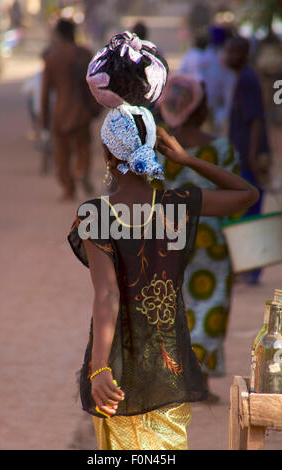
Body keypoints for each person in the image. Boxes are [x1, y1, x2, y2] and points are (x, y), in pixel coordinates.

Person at [68, 103, 258, 449]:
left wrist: (98, 369)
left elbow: (107, 294)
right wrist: (188, 160)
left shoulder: (95, 214)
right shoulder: (178, 204)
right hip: (167, 362)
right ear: (154, 147)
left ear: (107, 152)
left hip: (115, 364)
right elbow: (247, 195)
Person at [157, 73, 241, 402]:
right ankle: (198, 381)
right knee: (212, 303)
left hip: (168, 239)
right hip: (212, 243)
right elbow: (237, 195)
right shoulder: (219, 148)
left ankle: (174, 378)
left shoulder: (158, 146)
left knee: (173, 304)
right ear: (200, 107)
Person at [224, 36, 271, 284]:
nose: (227, 57)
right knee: (246, 211)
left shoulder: (247, 80)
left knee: (249, 211)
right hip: (242, 156)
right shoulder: (243, 78)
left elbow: (255, 121)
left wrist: (251, 156)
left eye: (232, 53)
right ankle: (248, 268)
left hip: (248, 158)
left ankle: (251, 271)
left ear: (242, 54)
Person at [41, 19, 101, 201]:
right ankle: (81, 170)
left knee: (62, 154)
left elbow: (45, 93)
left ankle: (69, 189)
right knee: (83, 147)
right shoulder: (85, 53)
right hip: (81, 111)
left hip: (61, 112)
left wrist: (44, 121)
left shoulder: (52, 57)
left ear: (58, 34)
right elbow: (96, 83)